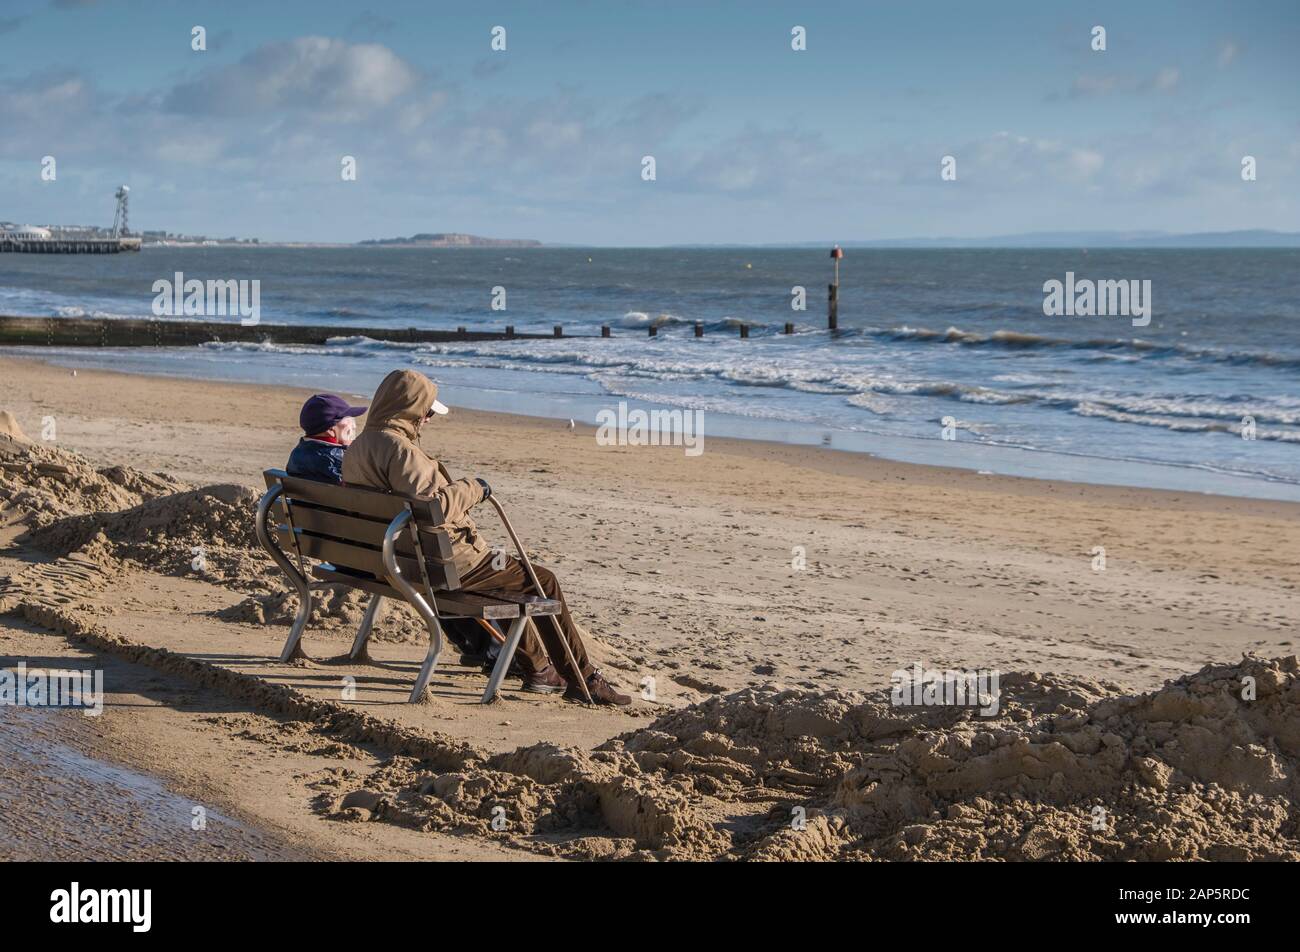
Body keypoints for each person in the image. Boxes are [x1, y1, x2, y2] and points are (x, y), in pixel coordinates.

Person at [342, 369, 630, 706]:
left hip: (394, 560)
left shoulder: (360, 445)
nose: (429, 419)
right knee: (543, 582)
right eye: (427, 411)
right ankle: (583, 679)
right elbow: (433, 508)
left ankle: (538, 667)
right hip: (440, 565)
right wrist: (473, 487)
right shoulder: (400, 450)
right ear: (410, 408)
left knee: (507, 582)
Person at [286, 393, 367, 484]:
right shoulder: (342, 461)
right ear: (330, 429)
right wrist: (349, 450)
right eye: (347, 418)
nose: (352, 425)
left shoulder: (297, 454)